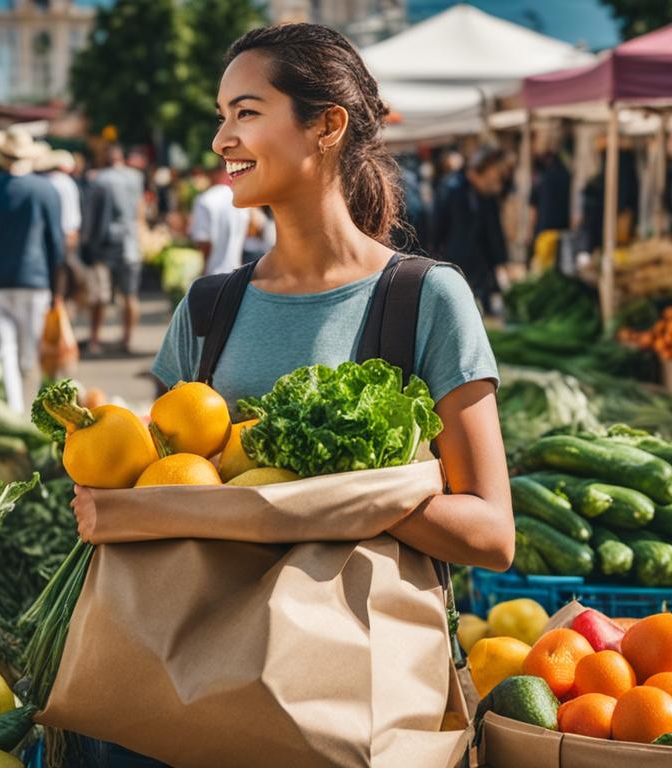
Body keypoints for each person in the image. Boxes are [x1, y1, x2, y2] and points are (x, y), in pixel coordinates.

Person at [71, 24, 512, 764]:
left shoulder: (425, 299)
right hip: (190, 694)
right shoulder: (207, 310)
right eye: (221, 115)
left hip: (344, 699)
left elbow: (492, 534)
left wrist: (330, 491)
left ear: (328, 125)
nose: (221, 139)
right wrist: (104, 476)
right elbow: (165, 484)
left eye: (245, 112)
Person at [0, 129, 65, 412]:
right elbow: (56, 245)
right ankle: (31, 409)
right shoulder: (47, 190)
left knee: (3, 352)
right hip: (35, 282)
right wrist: (58, 289)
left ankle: (14, 409)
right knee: (29, 353)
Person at [429, 145, 510, 312]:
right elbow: (437, 229)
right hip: (457, 269)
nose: (498, 180)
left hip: (482, 274)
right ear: (481, 169)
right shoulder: (451, 188)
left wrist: (501, 264)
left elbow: (494, 234)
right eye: (495, 174)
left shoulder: (487, 196)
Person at [86, 145, 145, 355]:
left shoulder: (99, 180)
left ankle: (94, 340)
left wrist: (88, 242)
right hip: (131, 242)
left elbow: (91, 215)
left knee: (100, 294)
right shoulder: (136, 177)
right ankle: (127, 339)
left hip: (105, 243)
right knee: (130, 295)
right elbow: (140, 209)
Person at [189, 164, 250, 275]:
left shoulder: (205, 199)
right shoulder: (241, 198)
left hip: (213, 273)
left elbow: (203, 242)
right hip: (237, 273)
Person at [38, 149, 83, 298]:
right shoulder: (67, 183)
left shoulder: (46, 182)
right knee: (61, 279)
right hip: (65, 235)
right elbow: (72, 219)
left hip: (48, 236)